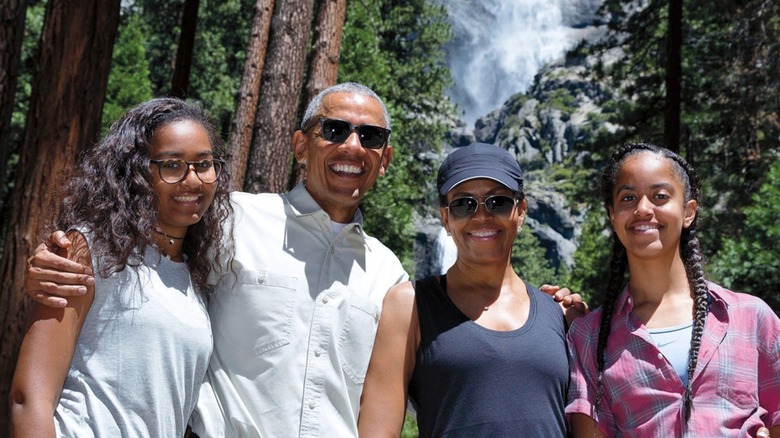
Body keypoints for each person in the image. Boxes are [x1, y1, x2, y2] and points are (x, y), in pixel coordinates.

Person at [24, 83, 582, 437]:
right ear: (300, 144)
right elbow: (139, 241)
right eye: (334, 130)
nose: (351, 146)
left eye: (370, 136)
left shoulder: (391, 276)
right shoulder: (228, 220)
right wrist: (60, 253)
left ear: (384, 159)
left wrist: (544, 306)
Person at [10, 97, 233, 437]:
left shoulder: (197, 278)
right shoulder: (89, 249)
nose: (192, 180)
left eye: (203, 164)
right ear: (138, 171)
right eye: (172, 165)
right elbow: (30, 398)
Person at [358, 142, 576, 437]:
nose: (481, 216)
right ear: (446, 218)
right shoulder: (408, 306)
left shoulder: (559, 314)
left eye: (497, 202)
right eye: (464, 204)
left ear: (521, 210)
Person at [566, 143, 780, 437]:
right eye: (628, 197)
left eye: (660, 196)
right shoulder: (589, 337)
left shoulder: (753, 318)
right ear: (612, 215)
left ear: (688, 211)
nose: (643, 209)